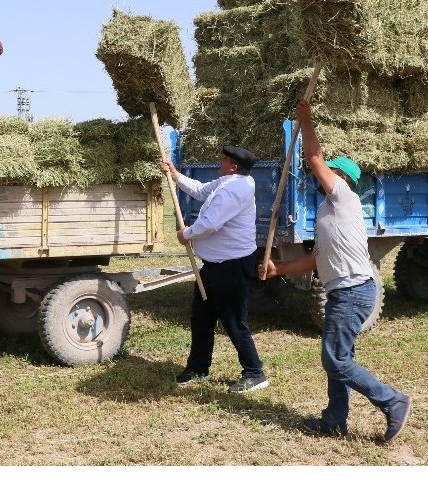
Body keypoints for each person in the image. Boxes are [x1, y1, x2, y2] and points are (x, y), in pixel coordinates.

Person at [259, 101, 412, 442]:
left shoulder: (343, 197)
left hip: (352, 291)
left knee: (335, 361)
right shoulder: (330, 213)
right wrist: (278, 269)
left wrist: (306, 121)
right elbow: (316, 261)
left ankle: (393, 401)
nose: (320, 175)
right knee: (339, 358)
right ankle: (334, 420)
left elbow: (314, 158)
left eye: (329, 171)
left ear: (341, 178)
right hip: (346, 289)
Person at [159, 145, 268, 393]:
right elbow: (199, 190)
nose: (220, 162)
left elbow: (210, 223)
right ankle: (198, 368)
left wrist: (186, 234)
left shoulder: (235, 189)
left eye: (224, 160)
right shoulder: (227, 183)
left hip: (231, 265)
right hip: (215, 264)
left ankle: (255, 372)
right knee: (202, 317)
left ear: (233, 166)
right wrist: (175, 175)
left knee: (233, 321)